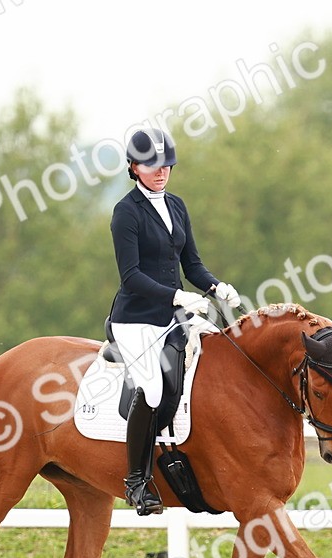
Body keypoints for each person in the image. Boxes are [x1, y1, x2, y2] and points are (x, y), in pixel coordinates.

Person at [108, 127, 242, 515]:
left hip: (174, 315)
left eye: (166, 165)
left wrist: (216, 287)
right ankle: (137, 482)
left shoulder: (177, 206)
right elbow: (131, 276)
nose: (161, 171)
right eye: (151, 165)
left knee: (221, 355)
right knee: (151, 389)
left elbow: (192, 264)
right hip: (136, 320)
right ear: (133, 167)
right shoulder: (126, 212)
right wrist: (176, 296)